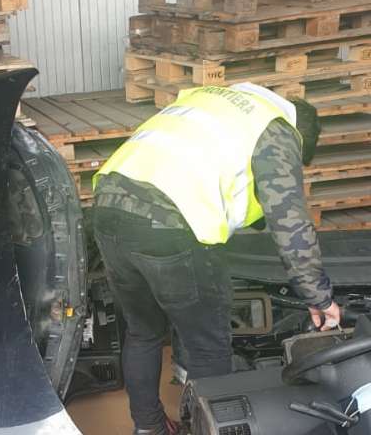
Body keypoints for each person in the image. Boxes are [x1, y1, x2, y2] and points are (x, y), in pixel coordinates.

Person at [92, 82, 341, 435]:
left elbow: (224, 180)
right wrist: (319, 297)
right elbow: (291, 222)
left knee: (143, 333)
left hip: (108, 210)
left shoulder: (219, 101)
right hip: (170, 225)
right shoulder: (277, 130)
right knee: (208, 349)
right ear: (302, 137)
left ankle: (148, 428)